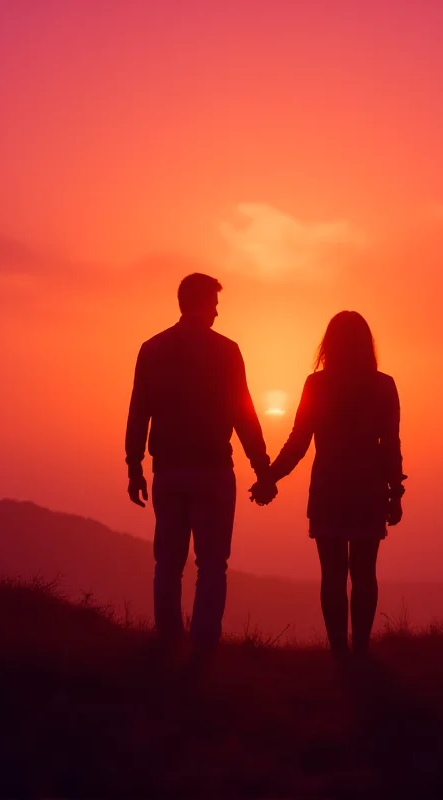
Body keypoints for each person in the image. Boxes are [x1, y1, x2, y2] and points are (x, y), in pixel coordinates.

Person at [125, 273, 275, 653]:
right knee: (212, 564)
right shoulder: (226, 351)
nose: (218, 312)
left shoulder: (152, 348)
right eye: (215, 303)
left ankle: (169, 643)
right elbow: (244, 415)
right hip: (212, 471)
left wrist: (134, 466)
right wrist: (262, 469)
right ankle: (203, 647)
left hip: (169, 471)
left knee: (168, 562)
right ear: (202, 303)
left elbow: (138, 413)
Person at [250, 311, 406, 655]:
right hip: (368, 488)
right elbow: (390, 445)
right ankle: (360, 650)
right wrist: (395, 493)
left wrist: (269, 477)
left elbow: (299, 442)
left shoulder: (316, 385)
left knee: (333, 575)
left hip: (329, 489)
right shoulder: (383, 385)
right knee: (365, 573)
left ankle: (339, 652)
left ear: (329, 345)